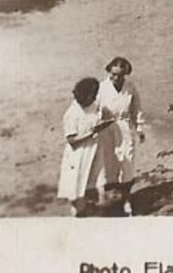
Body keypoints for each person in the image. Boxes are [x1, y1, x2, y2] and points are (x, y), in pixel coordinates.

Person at [58, 77, 114, 217]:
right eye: (92, 96)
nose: (94, 98)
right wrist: (93, 132)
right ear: (83, 95)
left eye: (95, 95)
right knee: (76, 185)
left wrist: (104, 120)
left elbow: (101, 109)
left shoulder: (93, 105)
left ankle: (94, 208)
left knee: (95, 180)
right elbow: (72, 141)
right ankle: (78, 213)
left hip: (94, 148)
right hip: (78, 154)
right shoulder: (72, 114)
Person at [96, 57, 144, 216]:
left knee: (127, 164)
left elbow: (136, 109)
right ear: (109, 71)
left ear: (125, 74)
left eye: (120, 75)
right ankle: (105, 201)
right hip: (106, 130)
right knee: (107, 165)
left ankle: (126, 200)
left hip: (125, 129)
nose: (116, 78)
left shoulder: (130, 87)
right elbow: (93, 109)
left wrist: (140, 128)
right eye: (113, 74)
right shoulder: (101, 88)